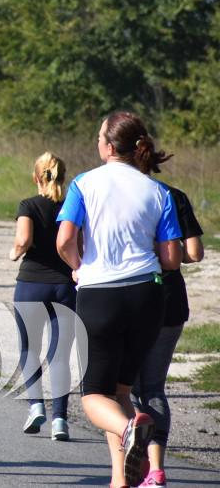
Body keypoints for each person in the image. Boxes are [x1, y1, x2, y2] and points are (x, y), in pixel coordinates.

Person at [56, 111, 183, 488]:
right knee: (122, 392)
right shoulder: (158, 191)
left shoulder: (84, 183)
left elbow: (64, 240)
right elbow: (172, 258)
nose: (96, 142)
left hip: (101, 294)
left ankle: (130, 427)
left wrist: (78, 266)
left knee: (94, 396)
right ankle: (120, 479)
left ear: (109, 147)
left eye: (99, 137)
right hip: (149, 295)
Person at [131, 176, 204, 488]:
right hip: (171, 299)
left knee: (128, 388)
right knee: (155, 388)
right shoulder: (176, 195)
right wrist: (169, 252)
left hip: (131, 293)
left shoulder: (120, 191)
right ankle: (157, 470)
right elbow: (195, 252)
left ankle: (132, 457)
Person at [7, 152, 76, 441]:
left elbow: (23, 239)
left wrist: (14, 252)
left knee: (29, 349)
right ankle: (60, 419)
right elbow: (76, 243)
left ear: (36, 177)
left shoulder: (29, 205)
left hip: (32, 284)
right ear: (62, 177)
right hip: (63, 286)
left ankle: (36, 405)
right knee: (59, 354)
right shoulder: (72, 205)